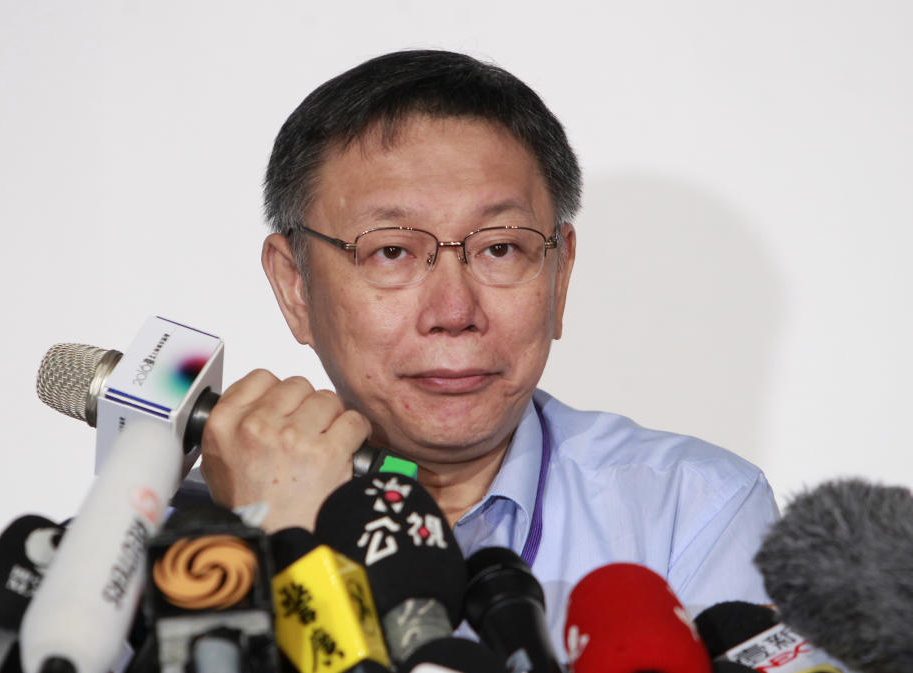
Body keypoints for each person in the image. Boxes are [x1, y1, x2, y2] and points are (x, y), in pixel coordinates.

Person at [200, 49, 779, 657]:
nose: (454, 312)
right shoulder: (180, 549)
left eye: (501, 249)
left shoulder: (693, 512)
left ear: (560, 275)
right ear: (296, 286)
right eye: (391, 251)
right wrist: (280, 539)